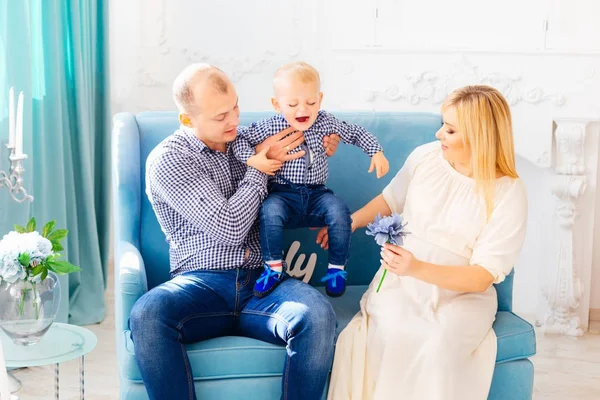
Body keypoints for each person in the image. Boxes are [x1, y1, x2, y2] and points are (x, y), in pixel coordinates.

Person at [129, 63, 340, 400]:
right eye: (219, 116)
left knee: (315, 314)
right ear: (187, 120)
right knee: (148, 313)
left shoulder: (249, 143)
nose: (234, 121)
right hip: (200, 285)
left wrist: (321, 154)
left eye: (236, 108)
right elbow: (229, 228)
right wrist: (258, 170)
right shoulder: (169, 160)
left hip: (263, 281)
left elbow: (290, 199)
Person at [318, 85, 528, 400]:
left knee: (440, 344)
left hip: (463, 297)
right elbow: (391, 199)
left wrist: (416, 267)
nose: (439, 133)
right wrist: (348, 223)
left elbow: (483, 275)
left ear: (478, 137)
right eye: (444, 124)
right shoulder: (426, 157)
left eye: (451, 129)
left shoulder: (508, 192)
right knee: (397, 334)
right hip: (401, 286)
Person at [232, 61, 390, 298]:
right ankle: (273, 267)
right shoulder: (271, 125)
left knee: (339, 210)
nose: (302, 110)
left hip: (317, 194)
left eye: (311, 102)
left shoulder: (325, 122)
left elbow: (355, 132)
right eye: (292, 104)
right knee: (269, 210)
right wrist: (253, 159)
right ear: (277, 105)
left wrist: (376, 151)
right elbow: (238, 139)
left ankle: (337, 269)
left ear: (320, 99)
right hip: (282, 193)